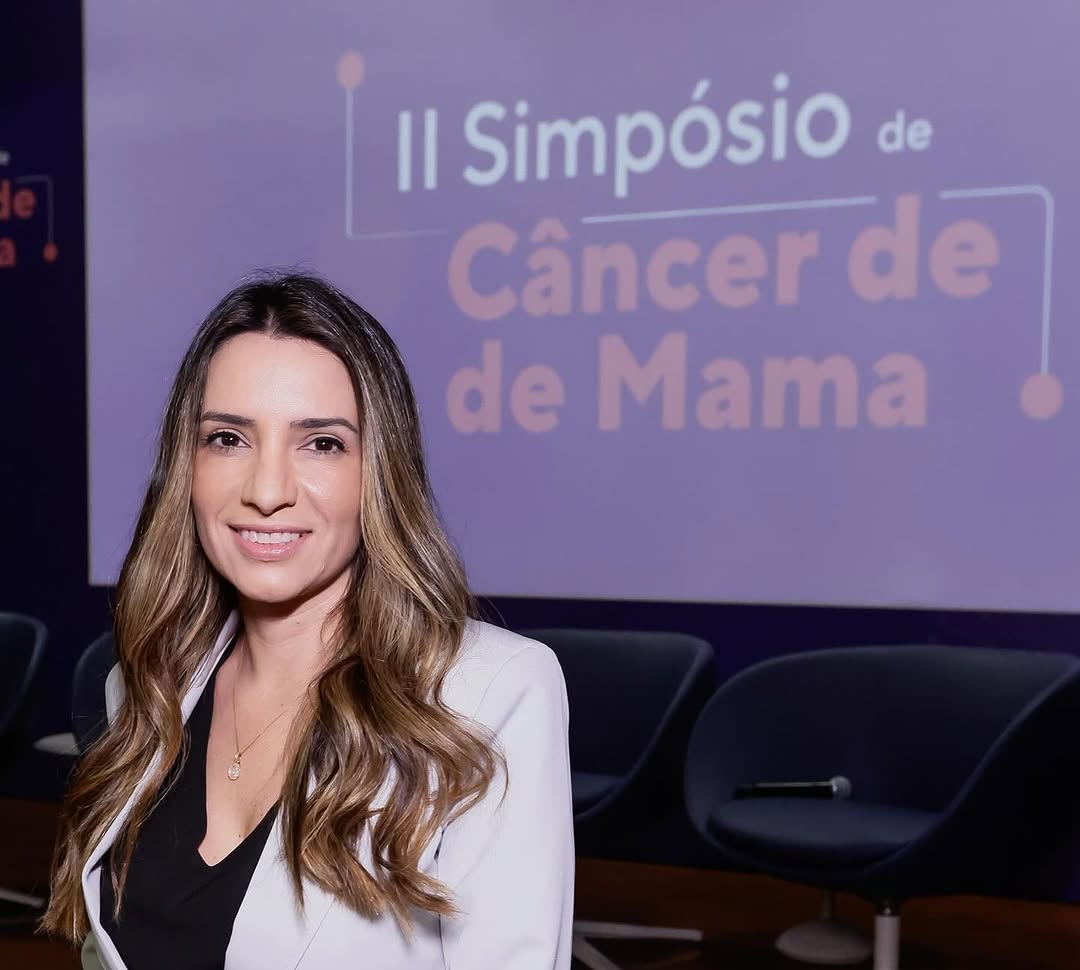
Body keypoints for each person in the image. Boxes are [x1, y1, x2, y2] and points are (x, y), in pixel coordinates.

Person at [42, 272, 575, 969]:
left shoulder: (490, 695)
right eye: (228, 438)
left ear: (378, 472)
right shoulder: (146, 687)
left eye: (321, 443)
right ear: (186, 468)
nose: (267, 491)